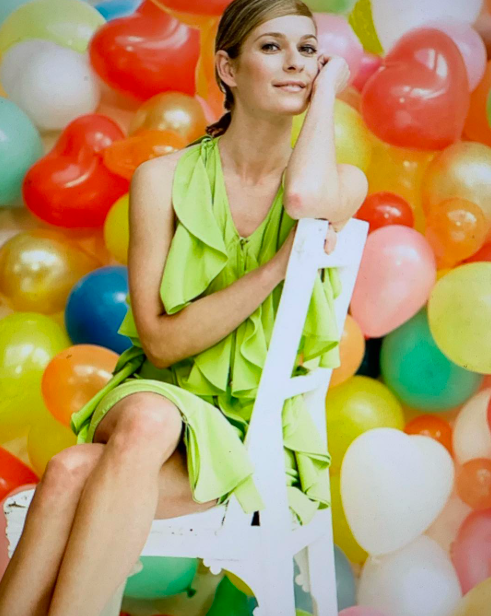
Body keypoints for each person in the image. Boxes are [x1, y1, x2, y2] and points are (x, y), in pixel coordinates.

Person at [0, 1, 368, 614]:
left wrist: (327, 90)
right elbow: (162, 342)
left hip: (246, 438)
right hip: (153, 398)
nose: (296, 63)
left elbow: (304, 198)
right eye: (271, 47)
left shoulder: (341, 184)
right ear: (228, 68)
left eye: (309, 50)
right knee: (150, 418)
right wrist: (275, 269)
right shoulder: (161, 180)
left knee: (67, 473)